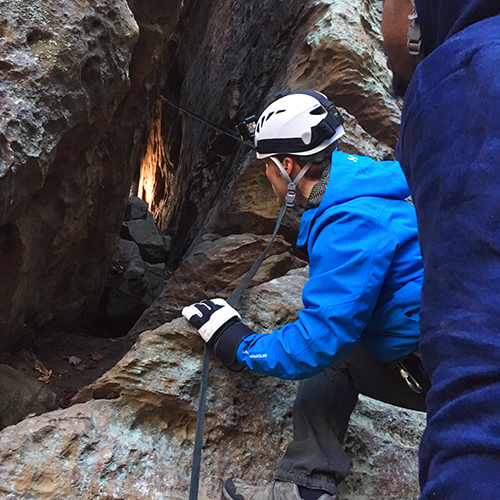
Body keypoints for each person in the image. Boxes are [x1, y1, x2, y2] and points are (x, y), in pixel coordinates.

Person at [183, 90, 427, 500]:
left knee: (333, 354)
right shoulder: (370, 183)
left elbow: (319, 340)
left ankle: (303, 488)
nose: (267, 177)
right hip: (447, 350)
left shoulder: (349, 223)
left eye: (268, 167)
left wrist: (240, 345)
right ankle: (306, 486)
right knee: (342, 352)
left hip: (451, 372)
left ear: (288, 165)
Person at [380, 0, 500, 498]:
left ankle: (307, 482)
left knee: (333, 366)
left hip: (414, 333)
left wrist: (240, 342)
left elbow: (486, 375)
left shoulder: (465, 76)